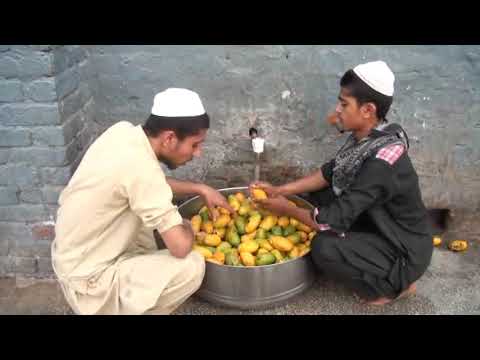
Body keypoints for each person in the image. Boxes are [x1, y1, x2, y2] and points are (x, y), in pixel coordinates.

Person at [250, 61, 433, 306]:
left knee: (324, 246)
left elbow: (328, 222)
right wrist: (281, 190)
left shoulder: (381, 162)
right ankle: (372, 256)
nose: (337, 110)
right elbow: (330, 172)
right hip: (379, 224)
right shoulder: (372, 135)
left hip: (403, 250)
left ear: (367, 110)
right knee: (321, 197)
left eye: (344, 104)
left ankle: (393, 286)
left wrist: (288, 209)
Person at [52, 88, 233, 315]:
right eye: (195, 144)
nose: (197, 153)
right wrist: (189, 227)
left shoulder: (122, 133)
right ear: (169, 138)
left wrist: (200, 189)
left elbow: (149, 182)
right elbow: (180, 247)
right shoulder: (142, 170)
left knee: (151, 217)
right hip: (90, 283)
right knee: (191, 265)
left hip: (73, 260)